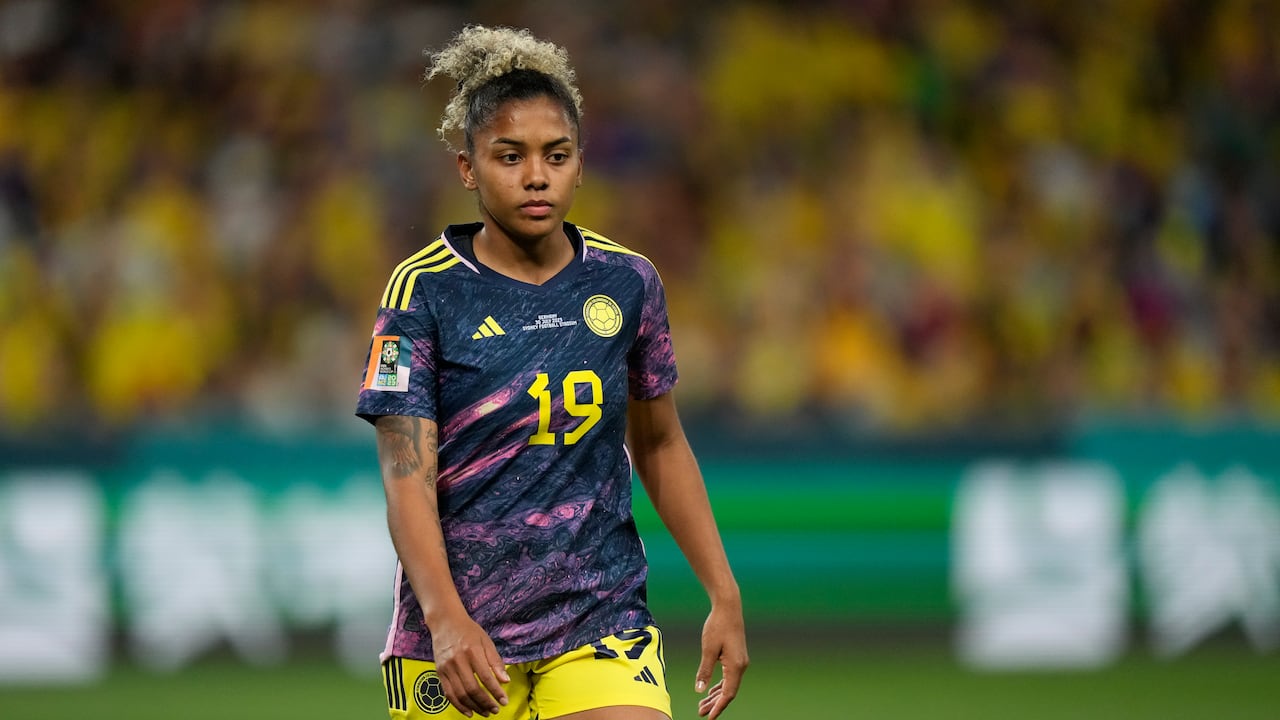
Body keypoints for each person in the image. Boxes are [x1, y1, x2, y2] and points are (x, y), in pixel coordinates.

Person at [355, 25, 748, 720]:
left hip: (600, 619)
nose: (536, 175)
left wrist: (723, 592)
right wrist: (445, 619)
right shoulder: (422, 291)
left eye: (555, 155)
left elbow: (658, 442)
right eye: (510, 156)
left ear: (579, 163)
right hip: (461, 636)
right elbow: (404, 475)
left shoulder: (628, 284)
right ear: (468, 168)